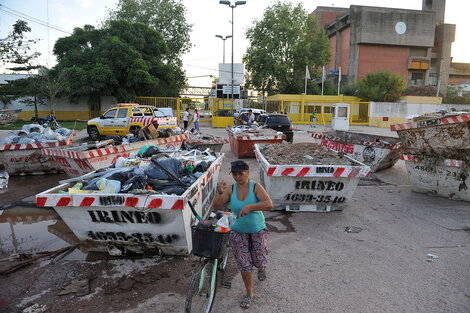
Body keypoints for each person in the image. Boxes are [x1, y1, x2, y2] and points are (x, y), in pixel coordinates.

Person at [213, 160, 273, 309]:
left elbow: (269, 204)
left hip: (257, 230)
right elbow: (217, 206)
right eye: (234, 174)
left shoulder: (255, 187)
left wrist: (251, 206)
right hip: (238, 232)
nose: (237, 177)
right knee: (244, 265)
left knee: (259, 259)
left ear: (247, 172)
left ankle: (261, 267)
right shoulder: (231, 189)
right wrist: (220, 191)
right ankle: (249, 293)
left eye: (240, 173)